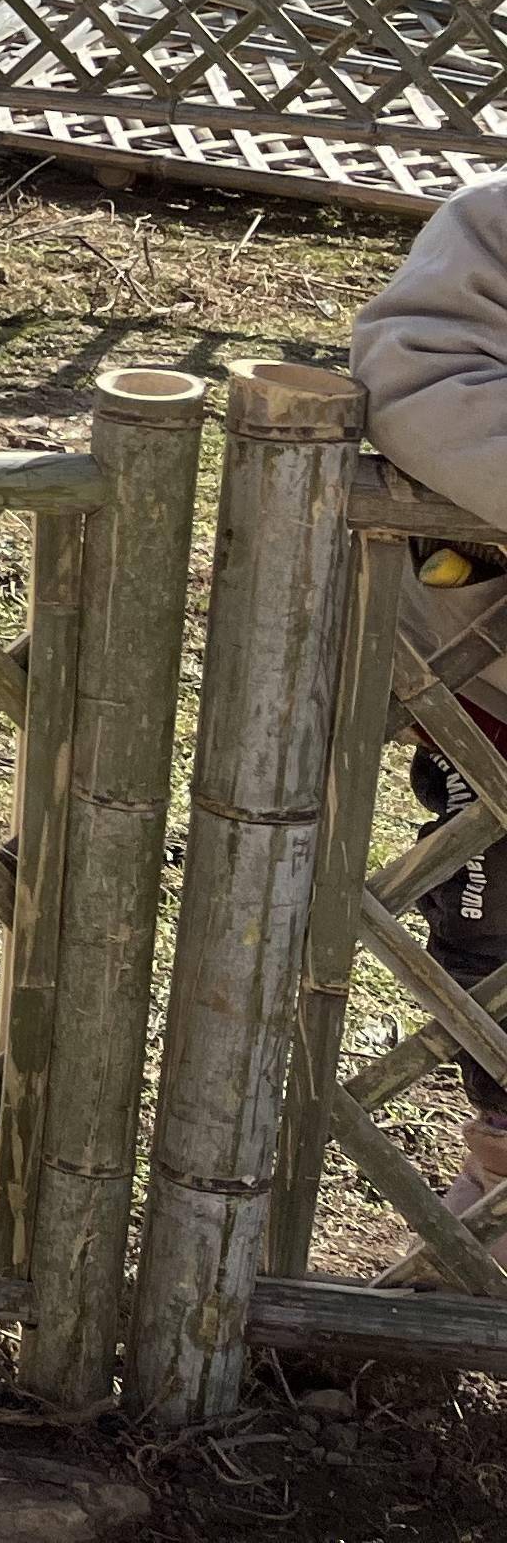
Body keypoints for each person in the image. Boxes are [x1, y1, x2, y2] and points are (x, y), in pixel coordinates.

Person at [343, 195, 507, 1223]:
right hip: (494, 688)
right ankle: (496, 1183)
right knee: (497, 940)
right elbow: (420, 375)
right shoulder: (496, 225)